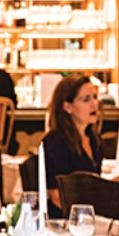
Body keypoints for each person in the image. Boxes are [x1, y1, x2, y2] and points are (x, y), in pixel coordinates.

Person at [40, 74, 104, 214]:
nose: (94, 104)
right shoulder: (55, 142)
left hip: (89, 218)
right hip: (64, 222)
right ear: (68, 107)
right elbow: (57, 196)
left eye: (94, 97)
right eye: (86, 99)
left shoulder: (94, 139)